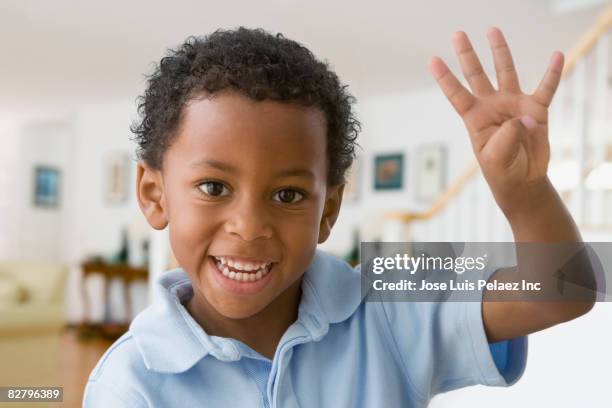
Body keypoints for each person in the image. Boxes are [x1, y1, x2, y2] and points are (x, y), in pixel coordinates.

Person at [83, 27, 594, 407]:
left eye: (287, 195)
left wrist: (523, 191)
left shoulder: (392, 304)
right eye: (214, 187)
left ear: (328, 210)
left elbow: (564, 288)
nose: (249, 225)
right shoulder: (131, 381)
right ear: (154, 194)